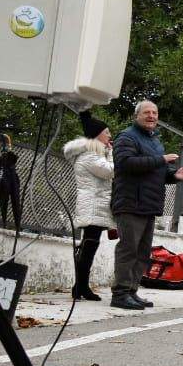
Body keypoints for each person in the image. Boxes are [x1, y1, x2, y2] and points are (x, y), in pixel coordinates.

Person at [108, 100, 183, 310]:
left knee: (143, 252)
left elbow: (155, 173)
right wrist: (161, 159)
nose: (152, 116)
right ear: (137, 116)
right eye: (147, 112)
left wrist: (174, 176)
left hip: (149, 204)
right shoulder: (127, 137)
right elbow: (126, 164)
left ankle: (132, 291)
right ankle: (120, 293)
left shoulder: (155, 141)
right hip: (130, 202)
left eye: (155, 113)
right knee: (129, 249)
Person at [62, 111, 112, 301]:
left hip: (94, 205)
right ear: (97, 134)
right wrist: (112, 154)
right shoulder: (91, 154)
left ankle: (80, 286)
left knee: (88, 247)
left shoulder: (93, 152)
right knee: (89, 247)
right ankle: (81, 286)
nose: (109, 136)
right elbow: (109, 171)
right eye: (107, 132)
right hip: (92, 205)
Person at [0, 147, 22, 230]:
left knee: (14, 202)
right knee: (5, 201)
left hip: (10, 179)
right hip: (6, 180)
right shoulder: (2, 162)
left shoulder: (7, 164)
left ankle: (16, 225)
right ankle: (5, 223)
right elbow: (0, 171)